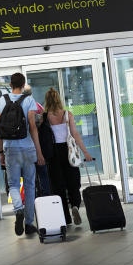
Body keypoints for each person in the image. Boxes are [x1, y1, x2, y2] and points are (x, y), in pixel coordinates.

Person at [0, 73, 44, 237]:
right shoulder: (29, 100)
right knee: (30, 186)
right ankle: (29, 223)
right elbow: (32, 127)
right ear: (23, 84)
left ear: (10, 84)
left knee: (14, 184)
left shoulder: (1, 101)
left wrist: (1, 152)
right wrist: (39, 151)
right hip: (28, 148)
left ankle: (18, 210)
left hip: (11, 149)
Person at [42, 88, 93, 226]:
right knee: (73, 181)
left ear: (47, 100)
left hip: (53, 153)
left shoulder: (45, 117)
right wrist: (85, 152)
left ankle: (65, 217)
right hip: (69, 151)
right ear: (59, 99)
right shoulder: (67, 114)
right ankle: (75, 205)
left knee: (58, 186)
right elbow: (75, 135)